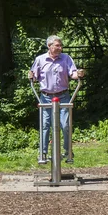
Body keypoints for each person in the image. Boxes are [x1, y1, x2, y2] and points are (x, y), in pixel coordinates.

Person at [29, 35, 85, 163]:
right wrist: (31, 76)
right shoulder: (40, 60)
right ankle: (43, 153)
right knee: (45, 125)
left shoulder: (66, 58)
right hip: (46, 97)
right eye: (57, 45)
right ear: (49, 46)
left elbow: (73, 73)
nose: (60, 48)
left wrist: (79, 74)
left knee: (65, 125)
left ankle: (67, 151)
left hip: (63, 96)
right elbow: (34, 76)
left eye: (61, 46)